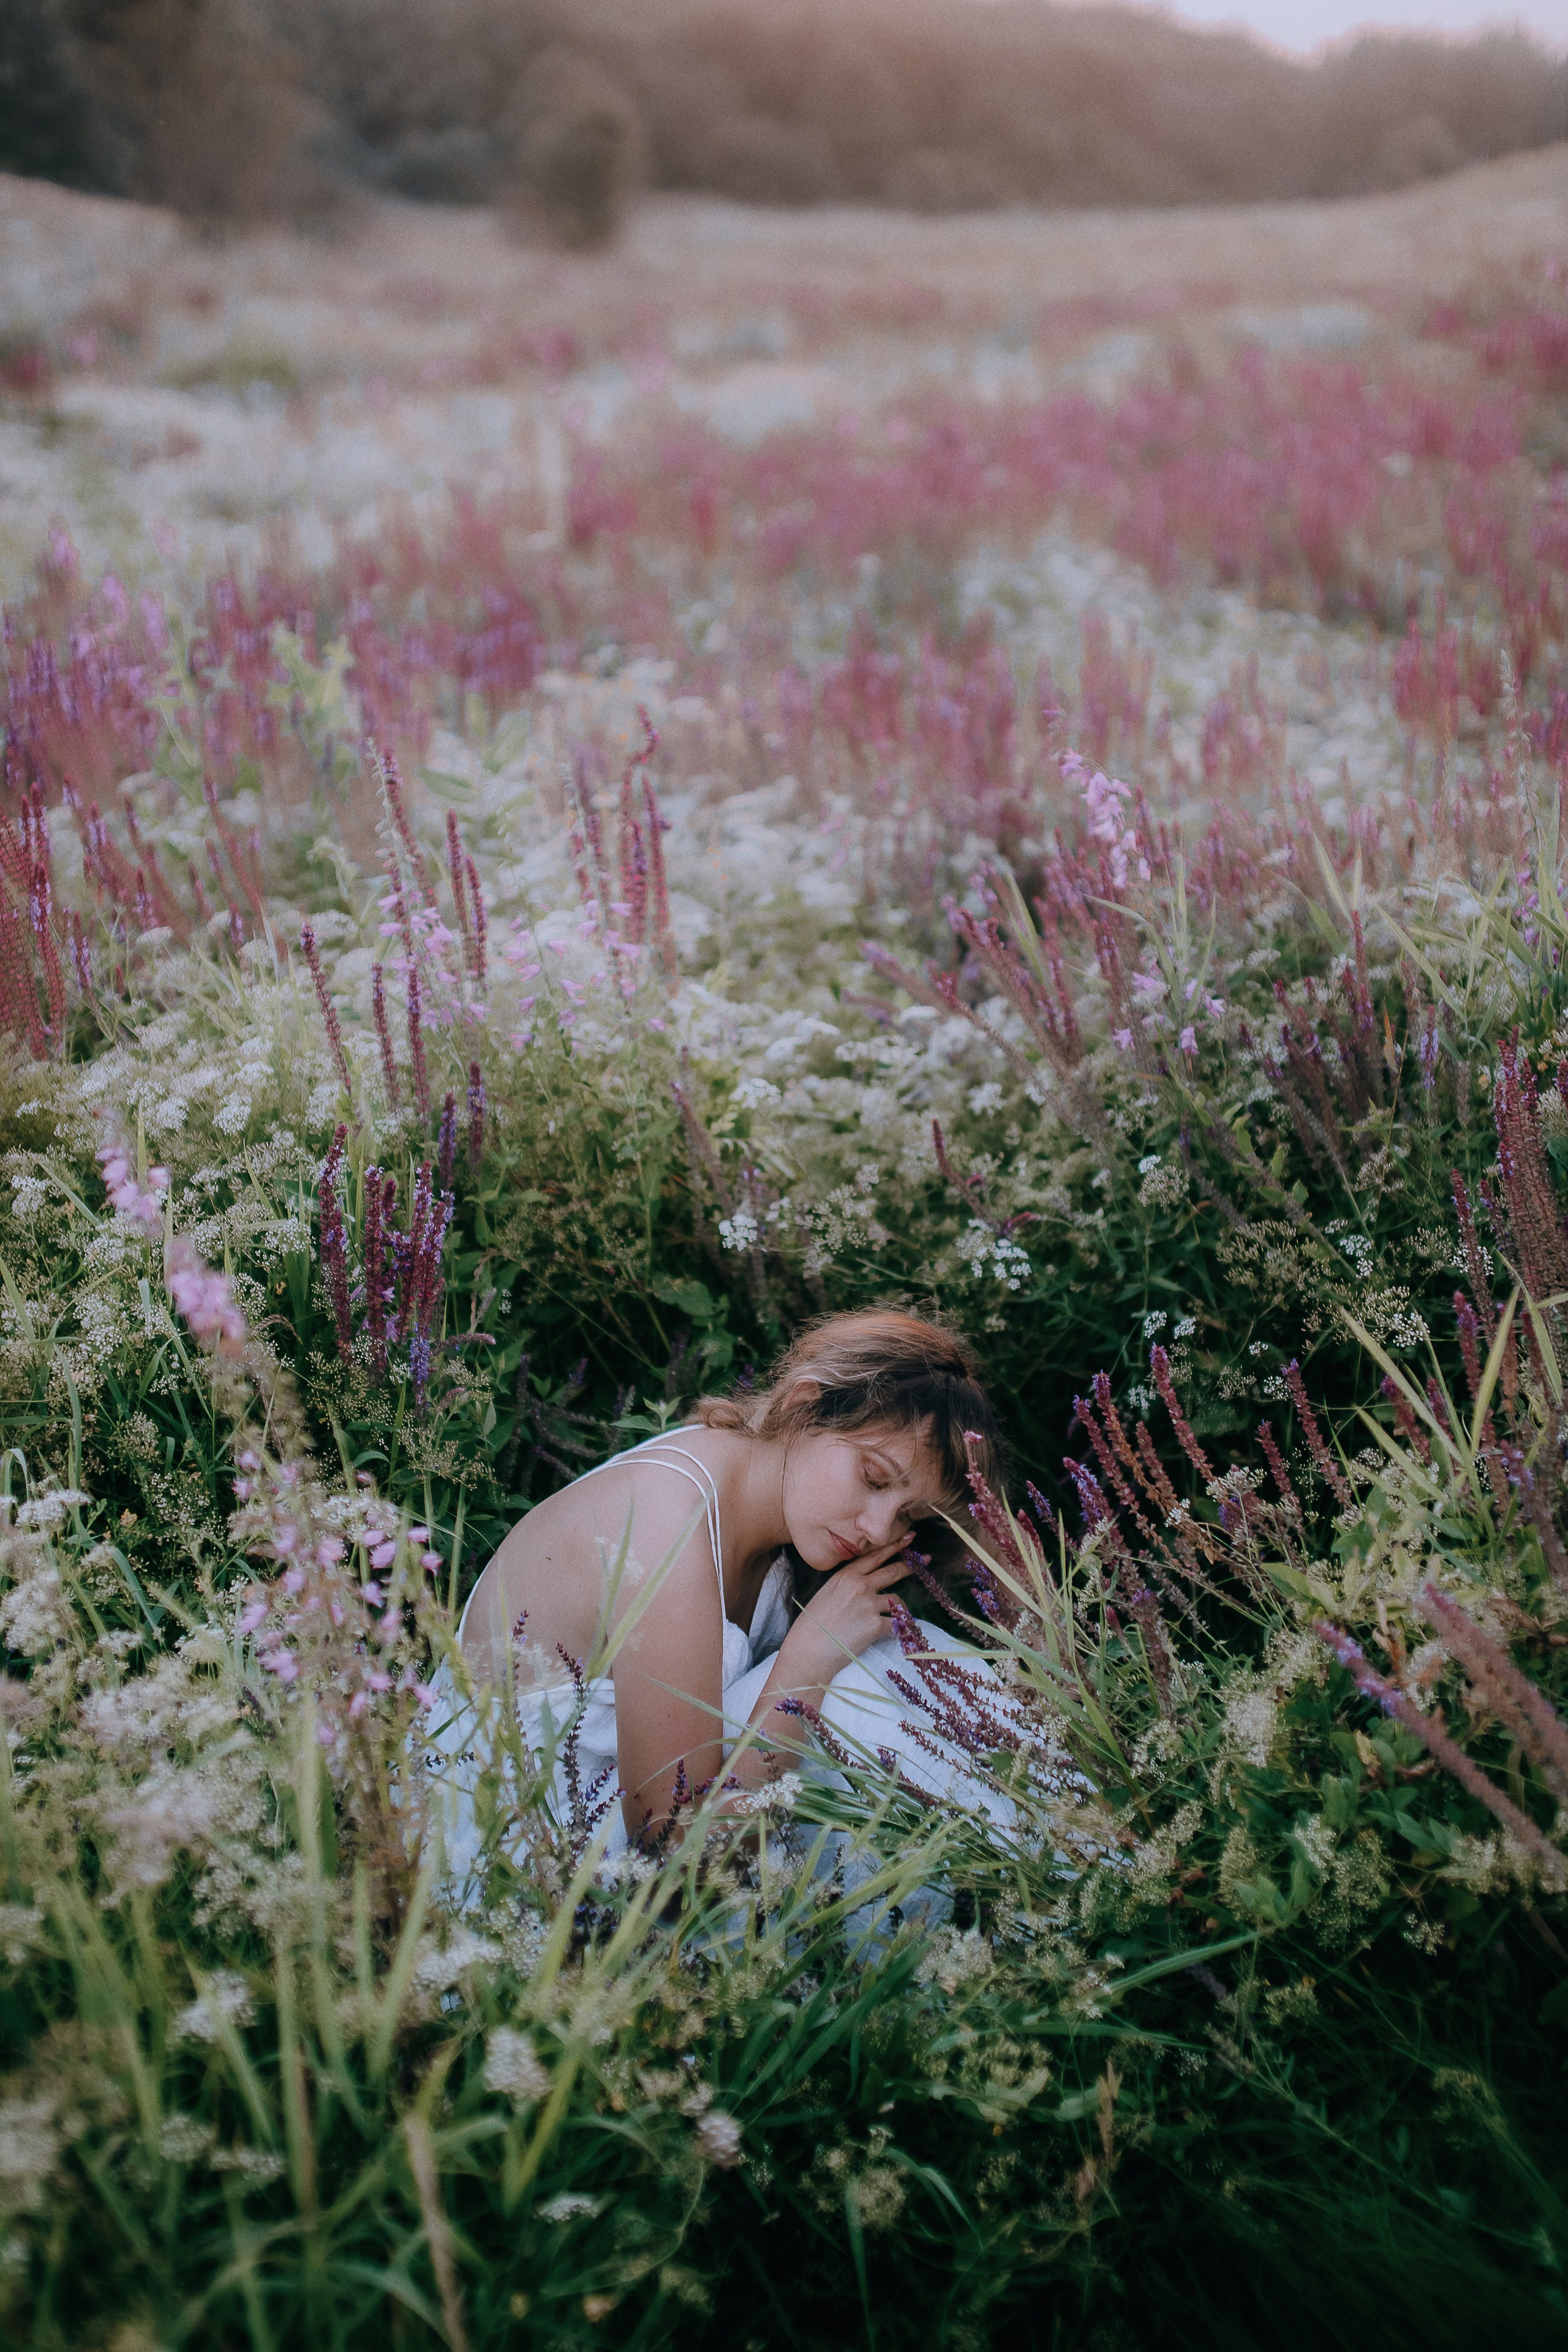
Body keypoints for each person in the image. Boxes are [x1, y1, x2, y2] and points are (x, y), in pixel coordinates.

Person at [428, 1308, 1016, 1875]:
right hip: (508, 1863)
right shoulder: (667, 1524)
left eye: (909, 1512)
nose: (878, 1530)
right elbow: (671, 1847)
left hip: (607, 1832)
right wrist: (808, 1663)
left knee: (899, 1659)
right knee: (848, 1683)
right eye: (873, 1478)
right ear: (803, 1405)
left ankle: (1069, 1846)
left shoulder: (784, 1529)